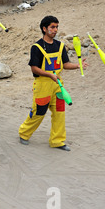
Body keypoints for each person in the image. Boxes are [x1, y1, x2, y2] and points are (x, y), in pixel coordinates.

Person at [18, 16, 88, 151]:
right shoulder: (36, 47)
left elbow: (65, 64)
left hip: (58, 86)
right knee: (39, 112)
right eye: (52, 27)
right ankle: (24, 133)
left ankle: (57, 141)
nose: (55, 30)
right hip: (42, 85)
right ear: (44, 29)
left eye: (56, 27)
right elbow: (34, 68)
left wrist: (78, 65)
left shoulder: (60, 46)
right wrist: (49, 75)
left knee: (59, 112)